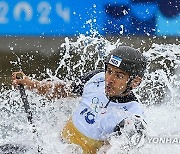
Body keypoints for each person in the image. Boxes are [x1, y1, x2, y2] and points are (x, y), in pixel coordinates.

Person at [12, 46, 147, 154]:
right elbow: (60, 90)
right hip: (55, 147)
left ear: (135, 82)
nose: (109, 80)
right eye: (109, 71)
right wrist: (31, 84)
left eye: (118, 75)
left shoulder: (133, 116)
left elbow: (118, 149)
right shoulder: (96, 78)